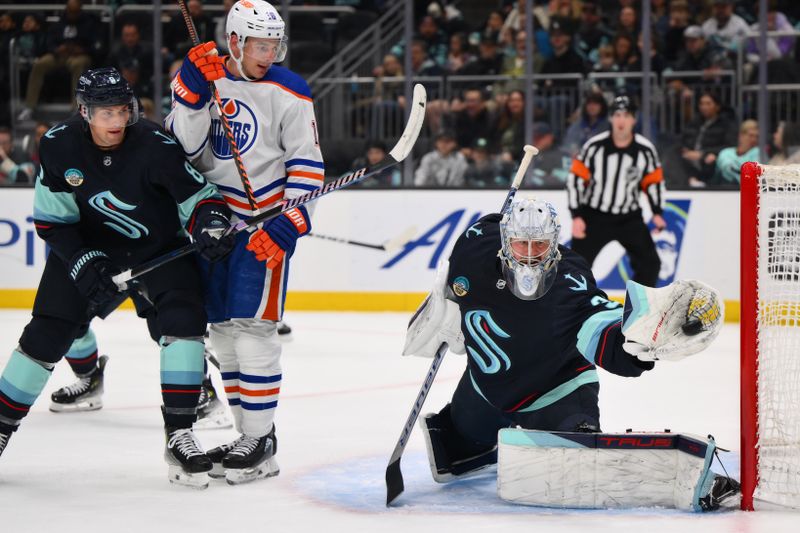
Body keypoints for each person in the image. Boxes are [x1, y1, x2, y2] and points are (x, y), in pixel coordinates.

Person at [405, 196, 734, 509]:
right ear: (505, 241)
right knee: (458, 443)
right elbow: (484, 227)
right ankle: (477, 442)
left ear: (555, 242)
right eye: (521, 244)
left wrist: (637, 347)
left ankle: (578, 432)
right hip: (486, 390)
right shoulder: (474, 248)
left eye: (540, 245)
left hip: (557, 391)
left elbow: (602, 325)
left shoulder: (571, 278)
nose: (530, 255)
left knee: (579, 460)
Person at [0, 67, 236, 488]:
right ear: (84, 111)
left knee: (182, 323)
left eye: (122, 111)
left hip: (159, 251)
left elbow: (200, 198)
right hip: (91, 249)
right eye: (105, 112)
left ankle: (180, 433)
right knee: (46, 334)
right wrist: (85, 262)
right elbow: (54, 223)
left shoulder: (156, 146)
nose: (116, 122)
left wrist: (211, 223)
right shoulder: (57, 146)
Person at [165, 0, 323, 485]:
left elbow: (306, 164)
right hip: (211, 225)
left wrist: (292, 221)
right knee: (223, 334)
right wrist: (191, 96)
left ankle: (261, 438)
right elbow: (181, 150)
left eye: (274, 44)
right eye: (259, 44)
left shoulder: (290, 90)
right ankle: (247, 435)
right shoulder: (201, 76)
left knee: (254, 330)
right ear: (234, 41)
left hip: (262, 227)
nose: (268, 52)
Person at [567, 96, 665, 287]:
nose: (621, 120)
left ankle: (640, 309)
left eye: (626, 115)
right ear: (611, 118)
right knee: (575, 268)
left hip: (629, 217)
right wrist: (576, 216)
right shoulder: (594, 147)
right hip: (594, 216)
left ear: (634, 119)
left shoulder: (645, 150)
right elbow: (576, 180)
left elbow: (654, 182)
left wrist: (657, 212)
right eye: (617, 115)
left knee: (650, 264)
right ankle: (576, 309)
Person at [711, 119, 761, 187]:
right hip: (724, 190)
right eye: (751, 135)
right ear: (741, 136)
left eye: (757, 137)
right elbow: (725, 170)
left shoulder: (758, 152)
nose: (754, 139)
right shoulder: (725, 153)